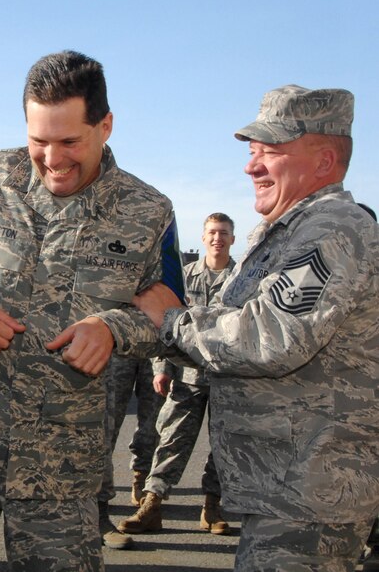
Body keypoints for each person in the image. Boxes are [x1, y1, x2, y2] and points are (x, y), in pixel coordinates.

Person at [0, 50, 185, 572]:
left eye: (70, 141)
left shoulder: (148, 210)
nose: (52, 158)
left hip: (60, 459)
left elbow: (173, 319)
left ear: (105, 126)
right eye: (38, 140)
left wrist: (112, 329)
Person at [134, 85, 379, 571]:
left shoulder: (334, 229)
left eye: (269, 152)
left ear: (325, 161)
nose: (251, 166)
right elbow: (224, 334)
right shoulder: (282, 235)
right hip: (282, 488)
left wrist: (170, 320)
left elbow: (266, 339)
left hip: (311, 494)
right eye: (252, 152)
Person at [119, 213, 236, 536]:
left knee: (223, 446)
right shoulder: (186, 277)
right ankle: (152, 504)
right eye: (212, 232)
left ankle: (212, 507)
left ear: (232, 239)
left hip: (228, 377)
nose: (218, 239)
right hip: (187, 376)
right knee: (170, 440)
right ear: (203, 238)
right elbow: (166, 323)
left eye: (224, 233)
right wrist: (161, 368)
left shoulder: (242, 279)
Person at [96, 356, 162, 550]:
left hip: (156, 345)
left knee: (154, 422)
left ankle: (142, 481)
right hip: (115, 345)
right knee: (104, 429)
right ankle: (96, 512)